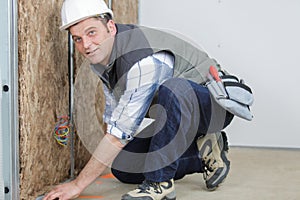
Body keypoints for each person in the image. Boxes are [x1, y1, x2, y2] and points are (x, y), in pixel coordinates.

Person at [44, 0, 253, 199]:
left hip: (212, 108)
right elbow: (115, 121)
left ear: (110, 27)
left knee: (174, 88)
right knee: (123, 166)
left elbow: (120, 134)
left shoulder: (142, 60)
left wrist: (78, 184)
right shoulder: (102, 61)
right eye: (78, 39)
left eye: (91, 33)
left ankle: (159, 183)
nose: (86, 45)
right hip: (178, 118)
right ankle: (204, 153)